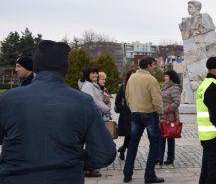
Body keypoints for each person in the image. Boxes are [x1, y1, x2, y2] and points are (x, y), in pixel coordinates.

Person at [0, 40, 116, 183]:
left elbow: (104, 153)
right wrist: (72, 164)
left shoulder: (7, 100)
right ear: (65, 69)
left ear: (35, 67)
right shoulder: (83, 102)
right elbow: (104, 153)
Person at [123, 57, 164, 183]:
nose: (155, 67)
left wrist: (133, 107)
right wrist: (160, 111)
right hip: (149, 113)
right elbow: (156, 99)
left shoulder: (132, 77)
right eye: (154, 65)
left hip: (135, 112)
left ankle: (127, 174)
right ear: (149, 66)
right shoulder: (151, 79)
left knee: (133, 143)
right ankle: (149, 175)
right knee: (155, 143)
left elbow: (127, 95)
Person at [80, 67, 111, 177]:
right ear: (88, 74)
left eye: (96, 73)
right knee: (92, 143)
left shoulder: (92, 85)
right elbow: (93, 100)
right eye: (93, 73)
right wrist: (106, 109)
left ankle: (89, 167)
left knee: (92, 143)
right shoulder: (88, 85)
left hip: (92, 116)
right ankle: (88, 168)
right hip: (90, 117)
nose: (95, 75)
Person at [159, 70, 181, 166]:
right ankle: (159, 157)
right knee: (161, 138)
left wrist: (164, 110)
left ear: (171, 77)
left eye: (166, 76)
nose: (164, 78)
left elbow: (176, 102)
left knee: (170, 138)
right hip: (162, 117)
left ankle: (170, 158)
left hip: (170, 117)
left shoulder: (175, 88)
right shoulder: (165, 86)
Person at [115, 70, 135, 161]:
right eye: (131, 75)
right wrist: (122, 108)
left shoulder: (137, 87)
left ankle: (123, 149)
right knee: (129, 133)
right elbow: (117, 100)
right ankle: (124, 150)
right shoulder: (123, 87)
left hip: (135, 112)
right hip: (126, 113)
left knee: (132, 134)